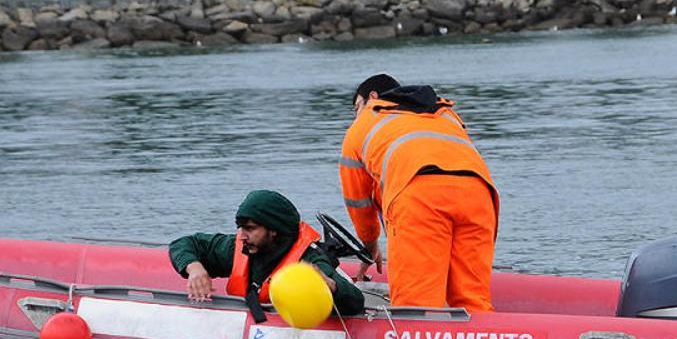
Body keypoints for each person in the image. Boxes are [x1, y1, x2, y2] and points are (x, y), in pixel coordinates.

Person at [338, 74, 500, 312]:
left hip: (421, 197)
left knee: (417, 304)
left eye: (356, 107)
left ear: (371, 98)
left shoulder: (363, 124)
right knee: (472, 300)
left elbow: (358, 200)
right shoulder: (443, 113)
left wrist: (370, 245)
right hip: (479, 195)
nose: (355, 116)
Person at [169, 190, 365, 321]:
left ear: (274, 230)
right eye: (241, 228)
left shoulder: (309, 260)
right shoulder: (240, 248)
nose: (242, 236)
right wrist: (194, 268)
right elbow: (185, 244)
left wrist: (331, 286)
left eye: (250, 229)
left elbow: (356, 302)